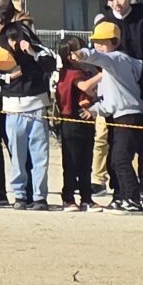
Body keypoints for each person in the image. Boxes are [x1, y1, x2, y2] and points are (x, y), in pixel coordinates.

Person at [73, 18, 143, 211]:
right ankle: (126, 197)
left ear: (115, 42)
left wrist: (83, 53)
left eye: (103, 42)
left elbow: (100, 58)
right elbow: (109, 103)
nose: (99, 46)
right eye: (96, 42)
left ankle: (133, 199)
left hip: (128, 116)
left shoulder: (117, 59)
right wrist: (93, 111)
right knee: (117, 159)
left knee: (120, 158)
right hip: (123, 115)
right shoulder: (111, 69)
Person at [101, 0, 143, 204]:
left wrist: (137, 80)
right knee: (115, 142)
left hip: (142, 91)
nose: (117, 2)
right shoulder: (106, 23)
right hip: (115, 94)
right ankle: (120, 191)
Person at [0, 28, 53, 211]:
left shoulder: (39, 49)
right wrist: (7, 76)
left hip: (37, 107)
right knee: (17, 155)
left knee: (40, 155)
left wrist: (32, 52)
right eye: (11, 39)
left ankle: (40, 196)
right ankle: (19, 195)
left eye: (18, 38)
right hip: (13, 109)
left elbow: (52, 64)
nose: (15, 43)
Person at [54, 38, 96, 212]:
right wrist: (103, 75)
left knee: (86, 162)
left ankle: (87, 198)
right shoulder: (71, 73)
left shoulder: (80, 71)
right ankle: (69, 197)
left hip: (84, 122)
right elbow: (86, 87)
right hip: (71, 121)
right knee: (71, 162)